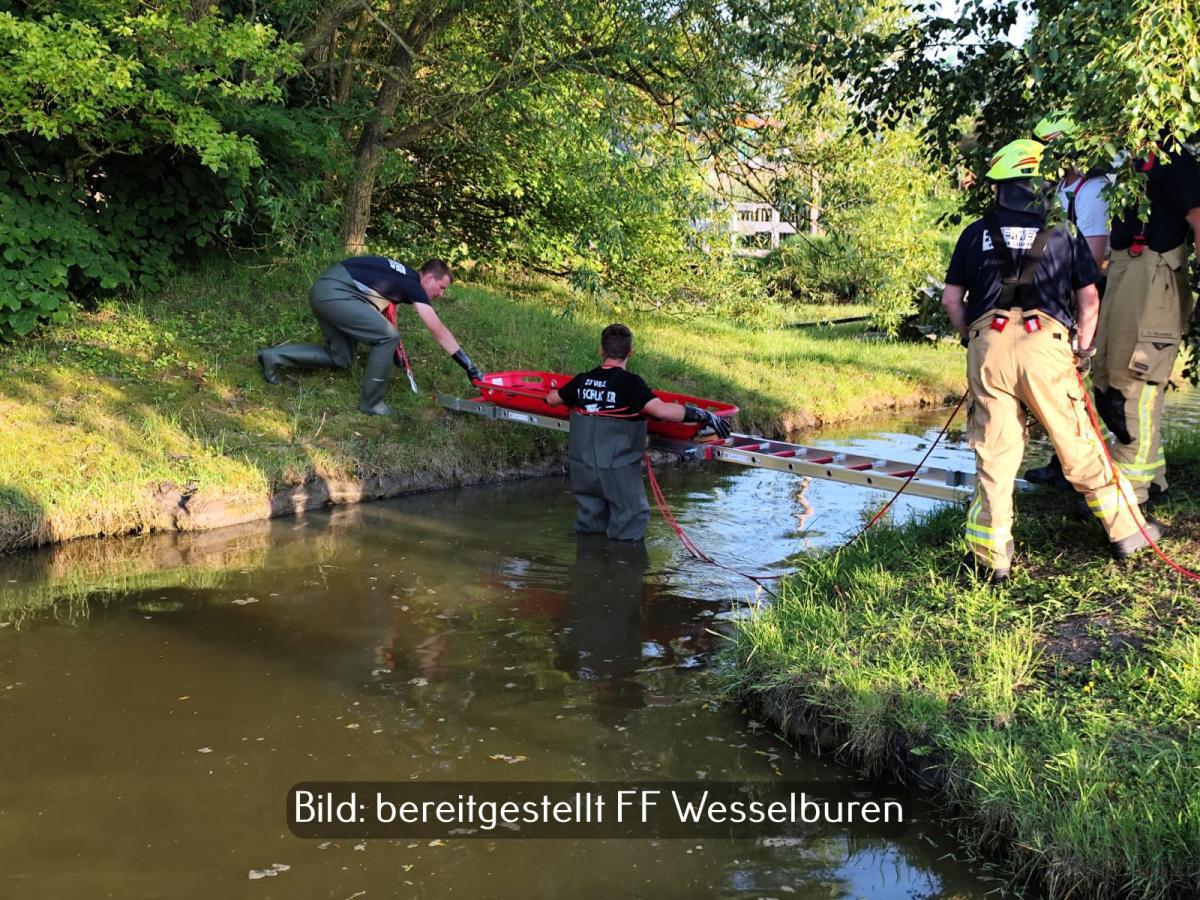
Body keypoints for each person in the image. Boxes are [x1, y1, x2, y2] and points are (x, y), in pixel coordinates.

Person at [940, 138, 1160, 583]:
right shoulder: (1063, 232)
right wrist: (1082, 348)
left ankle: (991, 557)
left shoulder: (973, 232)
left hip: (989, 346)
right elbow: (1089, 299)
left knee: (996, 452)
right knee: (1077, 443)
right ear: (1041, 185)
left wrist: (973, 338)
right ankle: (1127, 533)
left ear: (999, 187)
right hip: (1047, 346)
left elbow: (951, 299)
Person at [545, 323, 732, 542]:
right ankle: (626, 572)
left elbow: (551, 399)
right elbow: (661, 411)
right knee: (629, 524)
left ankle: (587, 570)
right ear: (630, 352)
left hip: (584, 468)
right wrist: (703, 414)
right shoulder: (629, 383)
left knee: (589, 527)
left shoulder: (582, 380)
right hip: (617, 469)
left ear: (601, 350)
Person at [1090, 142, 1200, 506]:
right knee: (1106, 378)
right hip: (1124, 268)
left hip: (1153, 274)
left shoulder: (1175, 160)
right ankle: (1152, 480)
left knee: (1132, 385)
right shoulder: (1131, 160)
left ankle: (1130, 495)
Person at [256, 257, 483, 415]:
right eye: (442, 287)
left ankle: (273, 357)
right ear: (430, 278)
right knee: (387, 337)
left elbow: (387, 309)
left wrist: (397, 351)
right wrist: (469, 367)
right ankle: (372, 404)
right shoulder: (414, 286)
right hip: (337, 294)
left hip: (327, 291)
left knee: (341, 358)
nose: (441, 294)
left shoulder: (403, 275)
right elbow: (437, 329)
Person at [1025, 115, 1115, 487]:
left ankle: (1085, 470)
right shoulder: (1061, 188)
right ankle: (1060, 462)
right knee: (1057, 385)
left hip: (1084, 300)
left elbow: (1093, 259)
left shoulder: (1092, 191)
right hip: (1059, 302)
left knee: (1074, 387)